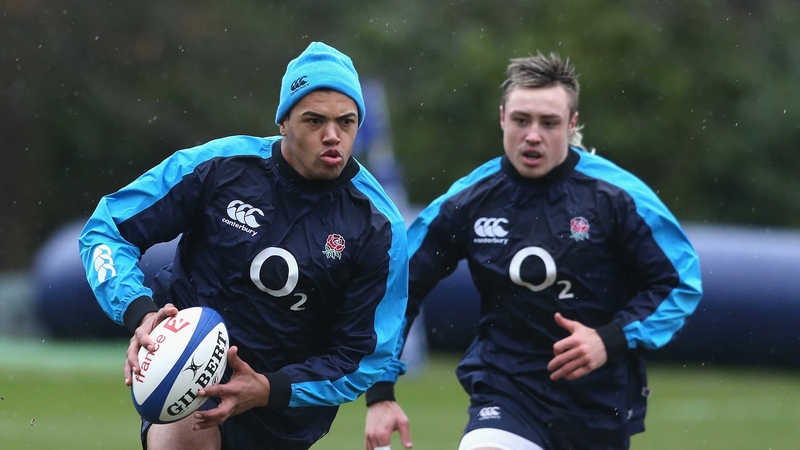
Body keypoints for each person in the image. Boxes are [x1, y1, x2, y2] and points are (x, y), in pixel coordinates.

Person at [79, 41, 409, 450]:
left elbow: (364, 356)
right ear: (283, 122)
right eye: (314, 120)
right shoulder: (219, 168)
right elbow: (107, 229)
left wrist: (269, 388)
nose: (332, 136)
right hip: (191, 376)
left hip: (283, 413)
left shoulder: (380, 226)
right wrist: (140, 313)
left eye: (346, 122)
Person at [363, 52, 702, 450]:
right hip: (505, 393)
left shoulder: (619, 198)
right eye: (522, 120)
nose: (533, 135)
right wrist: (381, 391)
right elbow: (399, 282)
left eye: (549, 123)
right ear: (503, 117)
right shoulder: (469, 199)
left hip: (598, 406)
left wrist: (608, 339)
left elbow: (679, 282)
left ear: (572, 124)